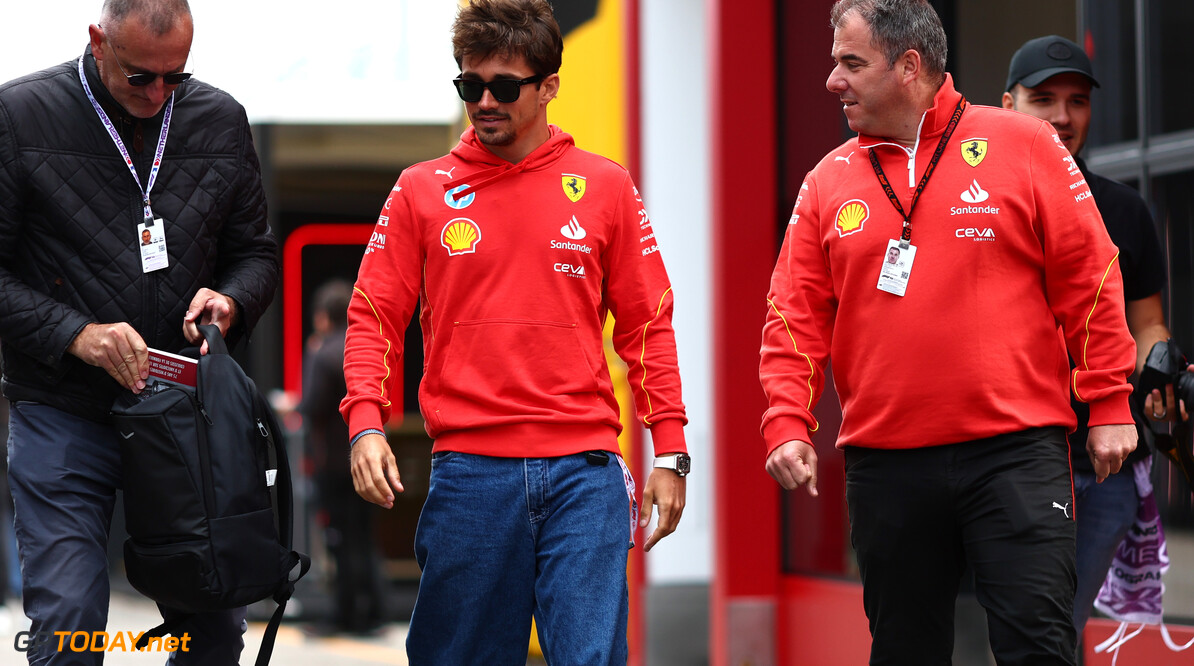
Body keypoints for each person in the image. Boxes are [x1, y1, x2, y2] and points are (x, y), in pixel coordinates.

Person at [759, 1, 1137, 663]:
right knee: (906, 653)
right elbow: (792, 313)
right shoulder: (827, 181)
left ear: (909, 66)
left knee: (1039, 648)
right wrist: (787, 420)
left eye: (851, 63)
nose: (832, 81)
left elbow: (1091, 275)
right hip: (887, 463)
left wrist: (1109, 401)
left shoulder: (1023, 144)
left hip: (1016, 453)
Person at [341, 1, 689, 663]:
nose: (484, 101)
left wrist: (668, 451)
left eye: (504, 86)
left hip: (584, 473)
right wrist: (365, 422)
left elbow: (648, 324)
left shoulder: (606, 186)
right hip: (470, 476)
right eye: (469, 86)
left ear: (549, 86)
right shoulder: (420, 190)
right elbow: (373, 317)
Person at [0, 1, 278, 663]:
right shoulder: (19, 116)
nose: (157, 93)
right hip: (63, 408)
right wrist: (78, 335)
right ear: (97, 41)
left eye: (174, 77)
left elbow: (257, 255)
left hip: (188, 413)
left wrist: (231, 301)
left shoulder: (220, 119)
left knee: (212, 627)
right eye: (139, 77)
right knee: (70, 627)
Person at [1003, 34, 1183, 650]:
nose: (1062, 117)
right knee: (1040, 636)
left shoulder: (1125, 210)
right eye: (1043, 99)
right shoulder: (978, 212)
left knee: (1056, 633)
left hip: (1105, 466)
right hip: (1009, 464)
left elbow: (1146, 326)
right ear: (1007, 106)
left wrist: (1159, 367)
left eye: (1076, 101)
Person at [300, 280, 383, 635]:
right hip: (370, 456)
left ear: (321, 317)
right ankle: (375, 610)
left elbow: (312, 406)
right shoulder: (357, 351)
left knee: (340, 539)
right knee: (364, 538)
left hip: (336, 462)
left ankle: (347, 614)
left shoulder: (323, 351)